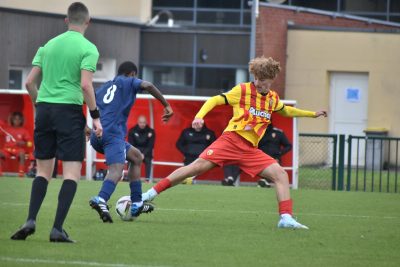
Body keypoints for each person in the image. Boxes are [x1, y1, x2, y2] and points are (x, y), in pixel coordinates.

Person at [142, 56, 327, 229]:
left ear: (271, 79)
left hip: (250, 150)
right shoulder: (243, 90)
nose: (258, 82)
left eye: (262, 79)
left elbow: (286, 111)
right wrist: (199, 116)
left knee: (280, 174)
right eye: (256, 77)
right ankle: (148, 195)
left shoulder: (273, 98)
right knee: (194, 168)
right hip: (231, 141)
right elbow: (215, 100)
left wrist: (312, 114)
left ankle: (285, 218)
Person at [11, 2, 102, 243]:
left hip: (45, 110)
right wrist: (94, 117)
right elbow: (85, 85)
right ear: (88, 22)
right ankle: (57, 229)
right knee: (71, 173)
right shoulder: (88, 48)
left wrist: (39, 106)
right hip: (69, 110)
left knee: (43, 170)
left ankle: (30, 219)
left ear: (66, 20)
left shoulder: (48, 45)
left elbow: (30, 83)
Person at [89, 61, 173, 223]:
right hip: (113, 135)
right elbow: (148, 85)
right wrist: (166, 105)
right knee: (116, 170)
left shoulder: (105, 87)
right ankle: (101, 199)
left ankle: (136, 203)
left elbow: (85, 101)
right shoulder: (129, 81)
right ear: (132, 74)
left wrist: (86, 128)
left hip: (97, 135)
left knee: (136, 157)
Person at [257, 123, 292, 188]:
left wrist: (279, 153)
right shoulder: (258, 132)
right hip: (260, 158)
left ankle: (264, 181)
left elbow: (288, 146)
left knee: (274, 164)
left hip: (274, 158)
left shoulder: (278, 132)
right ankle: (265, 182)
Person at [0, 112, 33, 177]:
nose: (17, 121)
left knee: (22, 154)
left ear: (22, 120)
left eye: (19, 119)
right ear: (12, 120)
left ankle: (21, 173)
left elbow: (30, 144)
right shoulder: (6, 129)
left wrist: (24, 143)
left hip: (18, 150)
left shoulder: (24, 131)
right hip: (7, 150)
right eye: (15, 119)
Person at [128, 116, 155, 181]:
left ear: (146, 122)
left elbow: (150, 146)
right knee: (130, 159)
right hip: (135, 152)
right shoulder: (132, 130)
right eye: (140, 122)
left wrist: (143, 154)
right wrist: (138, 154)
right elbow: (131, 144)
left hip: (146, 153)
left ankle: (147, 180)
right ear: (138, 122)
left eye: (144, 122)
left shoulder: (151, 131)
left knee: (148, 161)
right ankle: (131, 178)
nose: (142, 124)